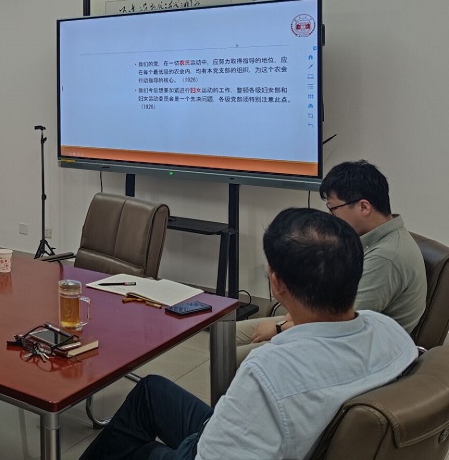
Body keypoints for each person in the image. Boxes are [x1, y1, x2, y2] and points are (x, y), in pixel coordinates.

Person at [79, 207, 417, 460]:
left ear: (277, 284)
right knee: (151, 390)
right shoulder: (392, 333)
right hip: (266, 437)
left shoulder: (268, 371)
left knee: (127, 450)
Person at [237, 160, 425, 361]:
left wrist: (278, 328)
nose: (331, 216)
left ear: (363, 207)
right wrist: (285, 321)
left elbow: (339, 323)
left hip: (348, 347)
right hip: (323, 325)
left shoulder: (387, 257)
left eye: (333, 208)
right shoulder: (370, 239)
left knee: (232, 358)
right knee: (229, 335)